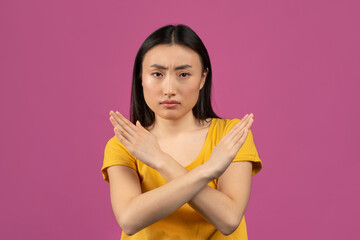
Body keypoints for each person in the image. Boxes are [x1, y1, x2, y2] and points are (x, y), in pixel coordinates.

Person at [101, 24, 263, 240]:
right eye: (157, 74)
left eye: (184, 74)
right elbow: (130, 219)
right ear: (141, 78)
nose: (169, 89)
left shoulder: (231, 135)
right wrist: (208, 171)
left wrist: (160, 160)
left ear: (203, 78)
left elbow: (228, 219)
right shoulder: (124, 144)